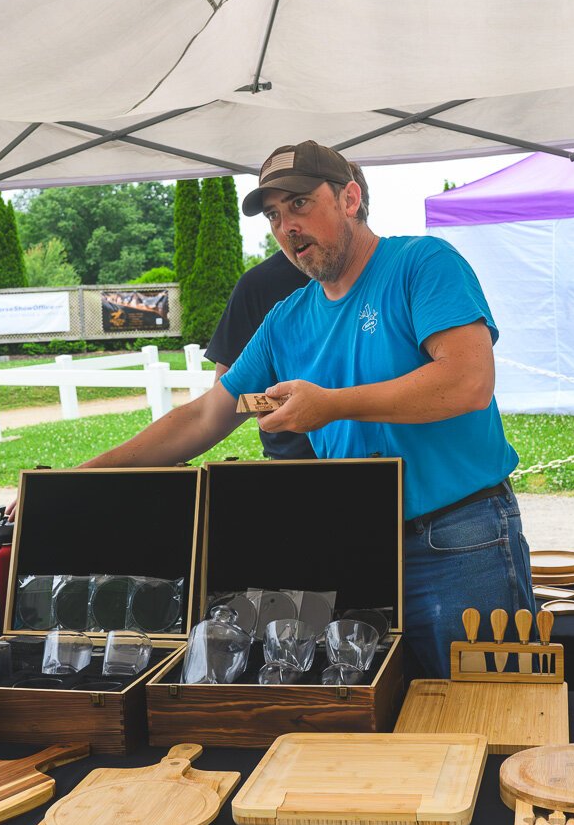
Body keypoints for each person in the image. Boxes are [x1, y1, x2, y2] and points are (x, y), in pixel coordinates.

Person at [84, 140, 533, 679]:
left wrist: (331, 406)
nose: (286, 227)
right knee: (379, 717)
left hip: (460, 538)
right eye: (274, 215)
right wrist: (84, 476)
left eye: (299, 204)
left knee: (488, 706)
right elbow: (206, 417)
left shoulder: (422, 263)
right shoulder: (285, 319)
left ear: (349, 198)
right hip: (356, 544)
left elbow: (467, 381)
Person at [205, 247, 313, 459]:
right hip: (293, 462)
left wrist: (335, 404)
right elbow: (224, 394)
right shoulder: (258, 284)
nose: (288, 226)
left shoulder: (389, 273)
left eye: (300, 210)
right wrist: (285, 400)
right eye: (273, 215)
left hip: (382, 462)